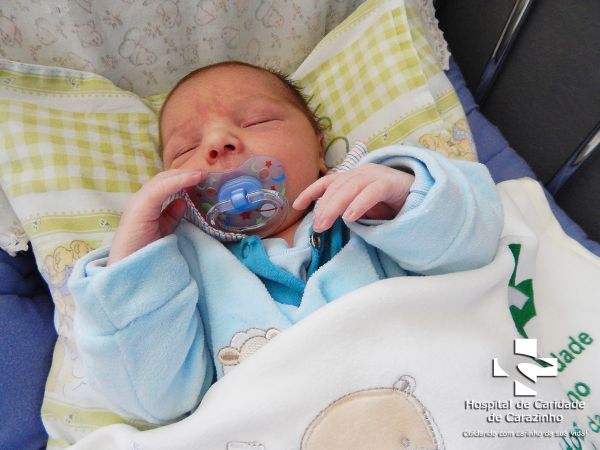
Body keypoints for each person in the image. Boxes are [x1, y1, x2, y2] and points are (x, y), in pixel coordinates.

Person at [69, 61, 503, 424]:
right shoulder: (180, 271)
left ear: (318, 147)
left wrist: (404, 196)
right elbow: (154, 400)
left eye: (256, 121)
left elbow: (473, 247)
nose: (217, 143)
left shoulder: (371, 206)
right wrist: (135, 265)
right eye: (185, 148)